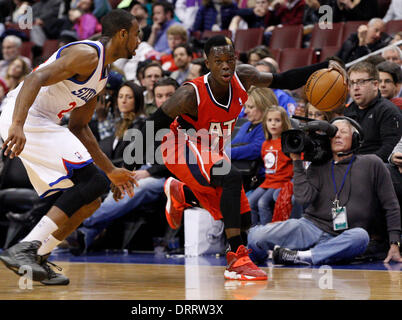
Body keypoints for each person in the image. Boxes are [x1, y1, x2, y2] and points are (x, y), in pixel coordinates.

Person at [140, 35, 347, 281]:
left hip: (209, 149)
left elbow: (283, 79)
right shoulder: (189, 93)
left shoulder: (245, 77)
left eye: (230, 59)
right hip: (178, 144)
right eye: (219, 61)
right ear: (208, 63)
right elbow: (154, 123)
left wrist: (324, 66)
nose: (226, 66)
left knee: (243, 218)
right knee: (230, 177)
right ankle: (236, 259)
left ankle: (182, 194)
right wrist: (124, 164)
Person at [0, 9, 140, 286]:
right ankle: (25, 247)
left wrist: (110, 170)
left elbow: (79, 127)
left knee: (92, 199)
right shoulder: (88, 55)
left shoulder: (101, 76)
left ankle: (38, 256)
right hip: (24, 116)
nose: (139, 40)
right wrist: (17, 123)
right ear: (123, 33)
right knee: (92, 182)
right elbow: (33, 79)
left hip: (42, 122)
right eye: (137, 34)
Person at [248, 116, 402, 265]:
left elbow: (391, 205)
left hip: (344, 235)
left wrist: (394, 243)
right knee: (256, 234)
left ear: (355, 137)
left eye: (343, 132)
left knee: (361, 237)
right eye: (334, 133)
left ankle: (304, 256)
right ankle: (272, 256)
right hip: (310, 227)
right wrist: (297, 162)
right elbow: (303, 198)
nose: (337, 136)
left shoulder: (372, 163)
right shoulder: (319, 165)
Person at [68, 79, 177, 254]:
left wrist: (149, 171)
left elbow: (183, 159)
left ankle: (79, 224)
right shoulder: (152, 122)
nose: (164, 100)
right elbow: (135, 154)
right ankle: (83, 237)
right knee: (113, 179)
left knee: (140, 185)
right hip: (148, 170)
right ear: (154, 99)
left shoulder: (187, 120)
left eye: (169, 95)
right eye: (160, 96)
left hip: (169, 177)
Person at [344, 61, 402, 162]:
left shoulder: (388, 110)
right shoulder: (349, 110)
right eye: (352, 83)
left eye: (361, 82)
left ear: (375, 84)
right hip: (349, 167)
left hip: (377, 169)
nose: (355, 88)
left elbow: (389, 149)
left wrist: (360, 164)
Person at [247, 106, 293, 226]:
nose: (273, 124)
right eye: (270, 120)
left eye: (277, 120)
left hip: (281, 182)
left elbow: (298, 161)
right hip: (268, 182)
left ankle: (266, 234)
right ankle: (253, 232)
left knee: (263, 203)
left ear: (284, 123)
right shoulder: (265, 144)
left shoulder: (287, 143)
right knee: (249, 202)